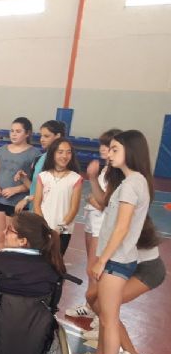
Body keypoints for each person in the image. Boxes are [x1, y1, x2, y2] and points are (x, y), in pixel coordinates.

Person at [74, 130, 153, 354]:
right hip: (119, 259)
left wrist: (101, 260)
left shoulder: (132, 184)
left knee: (108, 319)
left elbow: (121, 228)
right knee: (107, 317)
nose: (111, 152)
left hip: (117, 261)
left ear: (131, 151)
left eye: (116, 148)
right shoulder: (132, 181)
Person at [74, 224, 165, 354]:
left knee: (104, 307)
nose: (90, 200)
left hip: (147, 271)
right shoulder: (116, 213)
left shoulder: (125, 219)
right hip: (134, 267)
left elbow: (116, 255)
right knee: (98, 302)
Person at [65, 129, 122, 318]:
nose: (104, 149)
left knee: (96, 269)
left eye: (110, 146)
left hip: (102, 226)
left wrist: (92, 197)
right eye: (104, 145)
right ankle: (91, 307)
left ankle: (100, 312)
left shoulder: (116, 173)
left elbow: (105, 202)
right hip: (92, 223)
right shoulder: (105, 169)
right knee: (91, 269)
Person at [0, 211, 65, 304]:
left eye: (9, 230)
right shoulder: (53, 265)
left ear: (22, 241)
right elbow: (53, 302)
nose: (4, 232)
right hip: (39, 318)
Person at [0, 117, 41, 251]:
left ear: (27, 133)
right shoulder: (1, 151)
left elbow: (35, 183)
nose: (13, 134)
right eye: (12, 131)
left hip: (17, 203)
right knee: (0, 237)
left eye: (18, 131)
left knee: (13, 240)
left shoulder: (34, 154)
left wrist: (16, 189)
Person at [33, 138, 83, 256]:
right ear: (53, 154)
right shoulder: (43, 176)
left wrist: (59, 229)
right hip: (43, 228)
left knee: (56, 264)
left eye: (68, 152)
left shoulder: (75, 178)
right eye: (60, 152)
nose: (64, 156)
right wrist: (45, 227)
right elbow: (37, 204)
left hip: (63, 230)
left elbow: (74, 209)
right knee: (38, 262)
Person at [14, 120, 67, 213]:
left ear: (58, 136)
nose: (42, 139)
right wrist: (24, 179)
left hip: (51, 213)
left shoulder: (61, 162)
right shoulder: (38, 159)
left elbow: (52, 192)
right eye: (41, 136)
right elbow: (35, 188)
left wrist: (27, 199)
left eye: (46, 136)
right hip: (35, 211)